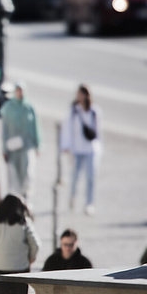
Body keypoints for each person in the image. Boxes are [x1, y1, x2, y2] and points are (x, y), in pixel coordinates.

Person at [60, 85, 101, 215]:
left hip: (89, 149)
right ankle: (72, 198)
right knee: (75, 177)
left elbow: (98, 132)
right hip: (77, 149)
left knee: (90, 178)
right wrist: (66, 146)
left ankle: (89, 203)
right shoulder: (74, 110)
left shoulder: (94, 111)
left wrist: (99, 149)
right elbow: (68, 129)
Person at [0, 82, 40, 200]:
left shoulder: (29, 107)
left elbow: (35, 126)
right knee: (13, 175)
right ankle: (14, 199)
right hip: (12, 147)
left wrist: (37, 144)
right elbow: (5, 130)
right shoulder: (8, 108)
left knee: (27, 173)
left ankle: (25, 198)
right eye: (17, 90)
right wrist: (4, 149)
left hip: (26, 146)